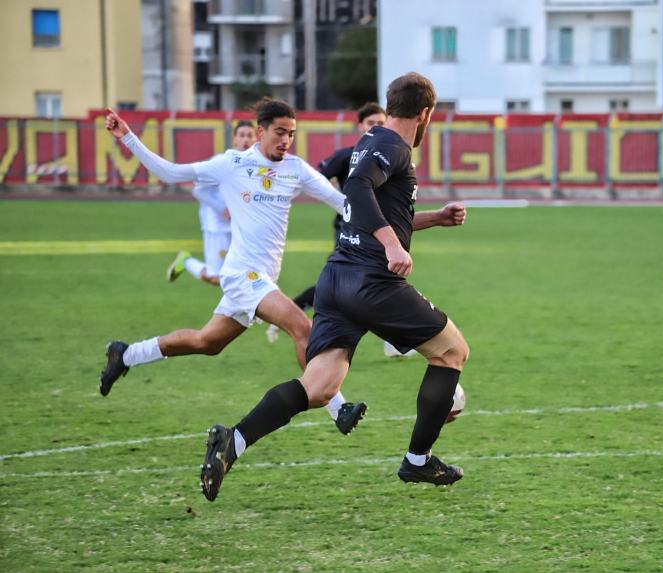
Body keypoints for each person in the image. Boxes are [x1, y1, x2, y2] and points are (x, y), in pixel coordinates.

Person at [199, 72, 470, 502]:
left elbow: (365, 207)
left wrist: (434, 218)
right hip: (371, 282)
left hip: (337, 278)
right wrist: (390, 245)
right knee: (453, 351)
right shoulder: (391, 147)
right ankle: (418, 460)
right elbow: (358, 189)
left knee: (318, 387)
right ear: (425, 114)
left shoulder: (371, 142)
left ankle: (232, 441)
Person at [98, 99, 367, 435]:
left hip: (262, 279)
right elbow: (170, 172)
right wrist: (127, 137)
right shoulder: (232, 164)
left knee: (207, 342)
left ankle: (126, 355)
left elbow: (343, 205)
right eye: (280, 132)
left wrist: (392, 224)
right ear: (261, 132)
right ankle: (338, 408)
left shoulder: (296, 169)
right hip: (243, 276)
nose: (286, 140)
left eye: (292, 134)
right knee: (302, 328)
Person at [286, 103, 416, 358]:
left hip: (384, 231)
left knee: (369, 283)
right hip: (353, 230)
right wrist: (338, 199)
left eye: (381, 121)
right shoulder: (350, 154)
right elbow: (315, 176)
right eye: (371, 123)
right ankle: (291, 309)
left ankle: (292, 310)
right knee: (356, 283)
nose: (377, 126)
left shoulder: (392, 153)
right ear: (360, 127)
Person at [166, 121, 255, 286]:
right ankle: (186, 262)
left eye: (250, 136)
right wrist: (223, 207)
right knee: (217, 278)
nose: (245, 140)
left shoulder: (254, 166)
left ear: (256, 140)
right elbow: (199, 191)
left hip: (237, 227)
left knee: (238, 275)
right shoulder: (221, 162)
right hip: (216, 226)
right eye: (242, 135)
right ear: (235, 139)